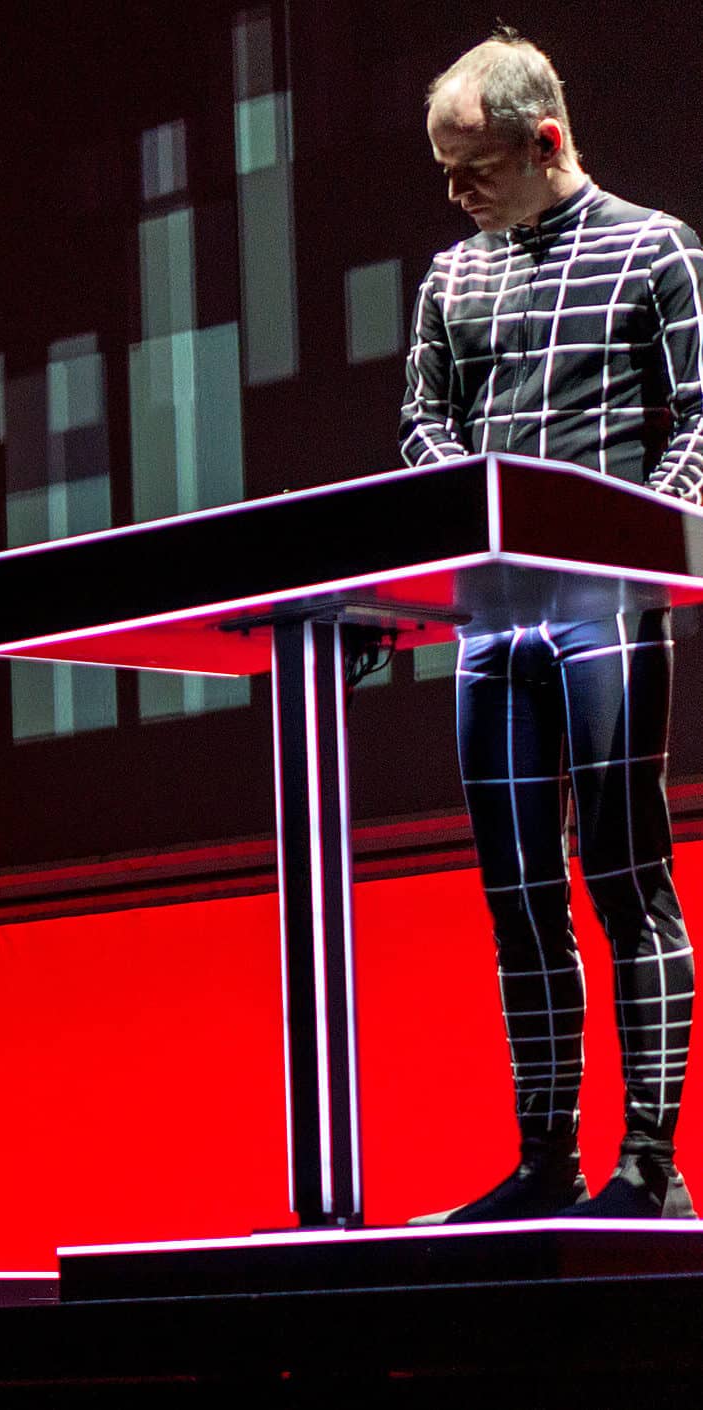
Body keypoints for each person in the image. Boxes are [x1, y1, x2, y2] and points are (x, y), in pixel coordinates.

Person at [402, 31, 703, 1222]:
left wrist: (630, 538)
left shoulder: (654, 250)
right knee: (516, 896)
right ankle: (542, 1163)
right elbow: (421, 426)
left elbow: (699, 421)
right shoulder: (448, 277)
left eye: (473, 169)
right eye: (442, 171)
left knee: (624, 878)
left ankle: (647, 1166)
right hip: (492, 623)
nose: (454, 193)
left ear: (544, 141)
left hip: (604, 609)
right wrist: (470, 521)